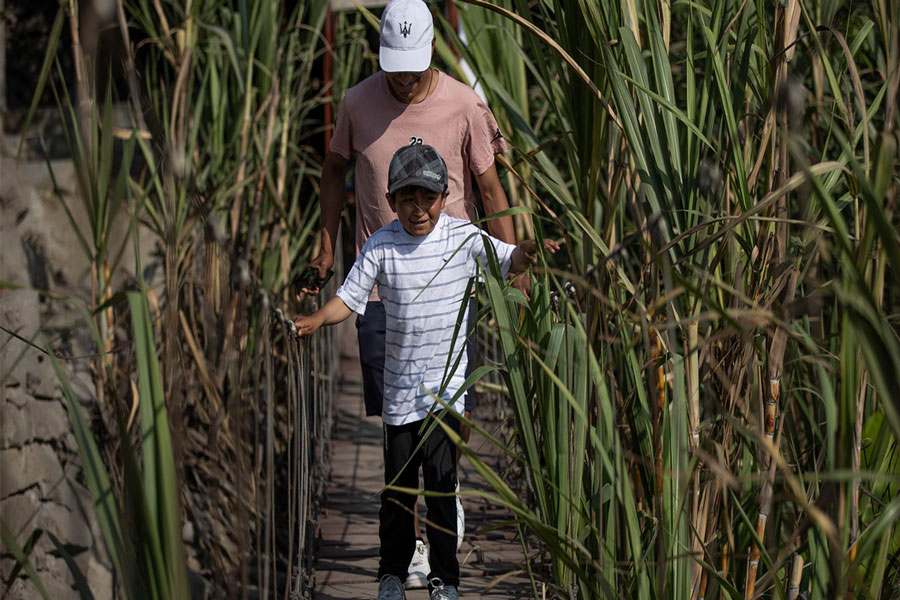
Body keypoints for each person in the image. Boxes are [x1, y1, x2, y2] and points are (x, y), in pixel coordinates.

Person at [300, 0, 521, 587]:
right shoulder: (356, 102)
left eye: (414, 67)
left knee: (449, 406)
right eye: (394, 66)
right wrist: (326, 246)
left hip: (450, 277)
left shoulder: (464, 104)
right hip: (379, 284)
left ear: (429, 54)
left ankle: (441, 499)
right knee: (396, 413)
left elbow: (489, 183)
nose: (403, 78)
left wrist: (513, 262)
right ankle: (418, 534)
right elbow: (333, 170)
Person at [294, 145, 558, 600]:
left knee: (441, 487)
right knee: (397, 492)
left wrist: (527, 253)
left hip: (447, 394)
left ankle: (445, 579)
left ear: (445, 196)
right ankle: (392, 574)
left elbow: (507, 258)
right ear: (392, 200)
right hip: (400, 394)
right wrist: (317, 319)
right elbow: (350, 298)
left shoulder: (463, 238)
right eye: (408, 199)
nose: (419, 209)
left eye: (429, 198)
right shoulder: (381, 244)